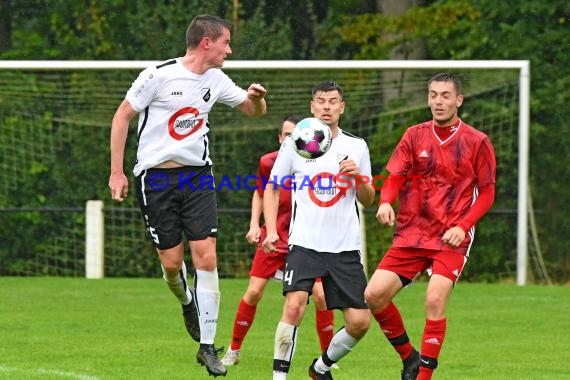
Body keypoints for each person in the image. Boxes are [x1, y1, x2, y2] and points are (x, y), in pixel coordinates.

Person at [108, 14, 267, 377]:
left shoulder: (216, 79)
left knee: (206, 256)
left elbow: (250, 110)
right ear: (206, 42)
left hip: (197, 177)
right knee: (170, 263)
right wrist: (117, 172)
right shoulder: (157, 75)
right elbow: (122, 117)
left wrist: (256, 100)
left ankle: (207, 346)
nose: (230, 49)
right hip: (156, 180)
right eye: (226, 42)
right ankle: (186, 300)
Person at [364, 72, 496, 380]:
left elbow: (487, 192)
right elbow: (394, 176)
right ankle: (410, 358)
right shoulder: (414, 135)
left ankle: (423, 377)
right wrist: (385, 201)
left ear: (458, 100)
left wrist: (463, 226)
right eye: (433, 95)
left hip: (451, 236)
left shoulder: (477, 141)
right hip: (412, 232)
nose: (438, 101)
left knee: (434, 298)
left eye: (445, 95)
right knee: (373, 295)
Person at [262, 81, 375, 380]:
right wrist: (271, 230)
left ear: (342, 107)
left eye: (333, 101)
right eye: (321, 101)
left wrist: (359, 178)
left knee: (360, 322)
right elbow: (272, 187)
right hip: (305, 243)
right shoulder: (297, 143)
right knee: (294, 305)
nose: (327, 106)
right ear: (312, 107)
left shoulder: (356, 146)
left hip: (344, 247)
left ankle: (320, 367)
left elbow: (368, 198)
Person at [221, 115, 336, 367]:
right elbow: (261, 193)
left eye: (295, 135)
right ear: (279, 137)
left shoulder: (317, 161)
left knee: (321, 296)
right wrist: (255, 225)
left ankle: (328, 356)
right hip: (274, 237)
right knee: (253, 292)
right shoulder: (268, 162)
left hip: (306, 241)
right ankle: (234, 349)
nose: (289, 139)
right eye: (285, 135)